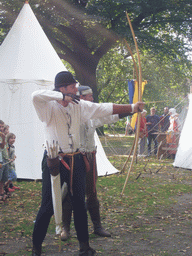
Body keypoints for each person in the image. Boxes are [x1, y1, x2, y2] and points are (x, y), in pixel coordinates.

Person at [31, 71, 144, 256]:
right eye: (72, 86)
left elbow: (103, 109)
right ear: (62, 88)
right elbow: (35, 95)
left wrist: (132, 106)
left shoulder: (79, 105)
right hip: (54, 160)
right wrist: (61, 97)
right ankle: (36, 249)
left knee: (79, 204)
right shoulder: (47, 107)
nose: (76, 88)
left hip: (76, 158)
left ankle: (85, 246)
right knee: (48, 206)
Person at [61, 85, 131, 241]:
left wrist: (131, 110)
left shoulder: (91, 114)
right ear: (80, 97)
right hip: (74, 157)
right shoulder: (69, 112)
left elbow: (108, 116)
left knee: (91, 192)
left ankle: (97, 226)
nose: (92, 99)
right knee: (69, 192)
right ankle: (65, 228)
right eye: (88, 96)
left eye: (92, 96)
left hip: (90, 157)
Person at [0, 120, 9, 202]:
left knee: (3, 177)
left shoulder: (3, 136)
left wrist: (3, 138)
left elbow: (2, 147)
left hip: (3, 159)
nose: (1, 128)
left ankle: (2, 191)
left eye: (2, 126)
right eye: (0, 127)